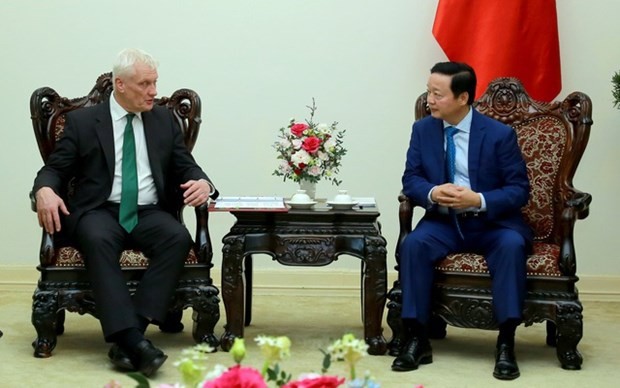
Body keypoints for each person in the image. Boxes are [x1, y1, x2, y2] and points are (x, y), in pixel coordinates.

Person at [32, 48, 217, 377]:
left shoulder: (164, 120)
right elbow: (54, 170)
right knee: (97, 237)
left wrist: (203, 183)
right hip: (98, 211)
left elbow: (186, 166)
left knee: (177, 237)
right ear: (120, 84)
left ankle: (129, 338)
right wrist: (44, 190)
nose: (153, 92)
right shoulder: (83, 122)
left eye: (155, 83)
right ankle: (135, 341)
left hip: (147, 211)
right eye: (145, 84)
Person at [392, 62, 532, 380]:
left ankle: (506, 342)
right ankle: (417, 338)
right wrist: (431, 192)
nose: (429, 99)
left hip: (492, 225)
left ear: (462, 97)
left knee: (511, 246)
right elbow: (411, 178)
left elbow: (519, 190)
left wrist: (478, 200)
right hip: (443, 224)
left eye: (437, 94)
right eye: (428, 91)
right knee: (414, 244)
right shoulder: (423, 129)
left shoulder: (499, 135)